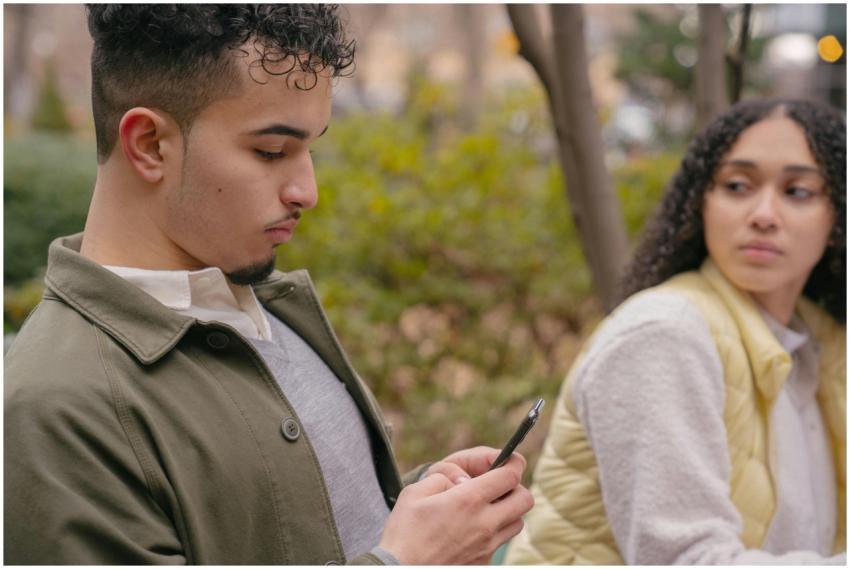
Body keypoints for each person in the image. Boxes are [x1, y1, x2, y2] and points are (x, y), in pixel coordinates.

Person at [4, 5, 533, 564]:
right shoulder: (55, 407)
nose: (308, 191)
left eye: (311, 149)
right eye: (272, 152)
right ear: (149, 144)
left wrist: (424, 508)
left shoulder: (268, 306)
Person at [504, 98, 845, 565]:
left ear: (836, 218)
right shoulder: (664, 335)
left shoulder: (825, 345)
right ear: (701, 202)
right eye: (738, 185)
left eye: (798, 191)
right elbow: (684, 559)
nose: (764, 214)